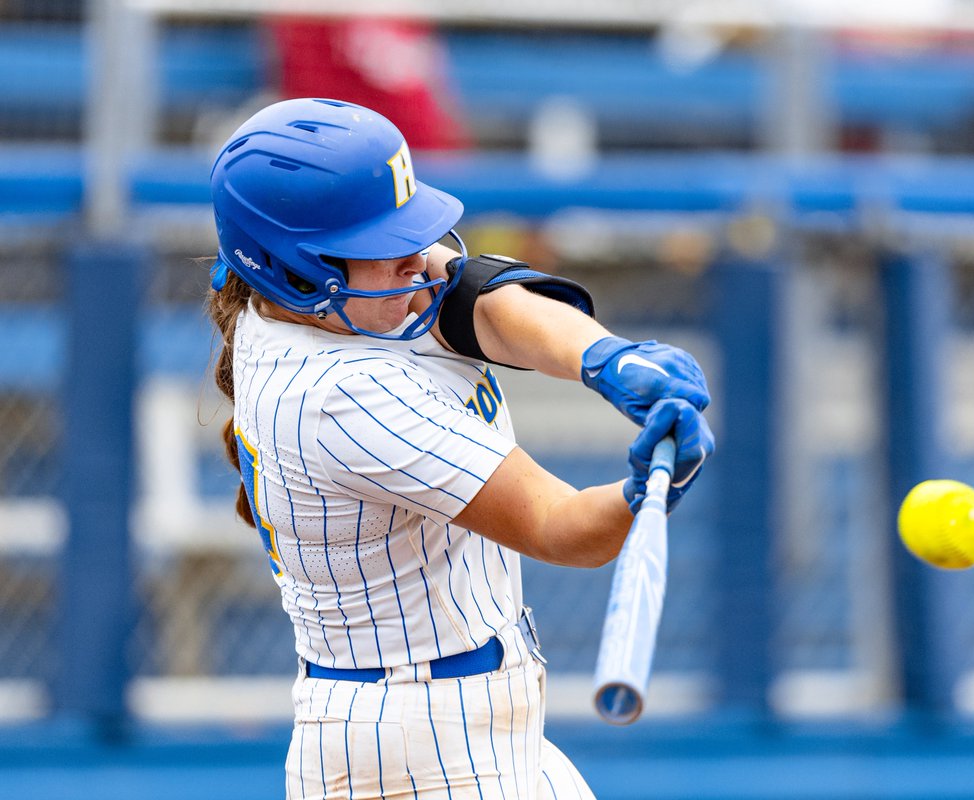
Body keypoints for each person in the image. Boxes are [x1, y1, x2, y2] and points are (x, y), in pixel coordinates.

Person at [205, 97, 714, 800]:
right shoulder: (340, 395)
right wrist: (650, 490)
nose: (419, 260)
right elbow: (562, 528)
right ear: (293, 269)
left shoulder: (332, 303)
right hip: (411, 750)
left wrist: (605, 357)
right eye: (385, 248)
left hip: (459, 717)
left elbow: (477, 300)